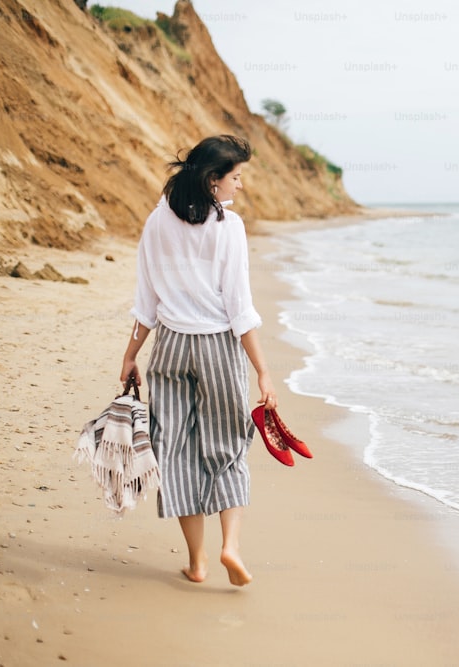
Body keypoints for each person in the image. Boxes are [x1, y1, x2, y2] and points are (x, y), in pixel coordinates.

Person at [119, 135, 276, 587]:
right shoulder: (230, 227)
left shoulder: (156, 222)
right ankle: (231, 546)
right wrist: (263, 370)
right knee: (226, 447)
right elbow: (239, 308)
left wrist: (130, 356)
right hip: (218, 348)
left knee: (177, 453)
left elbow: (145, 302)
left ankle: (198, 562)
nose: (240, 186)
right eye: (236, 177)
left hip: (169, 346)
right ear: (212, 181)